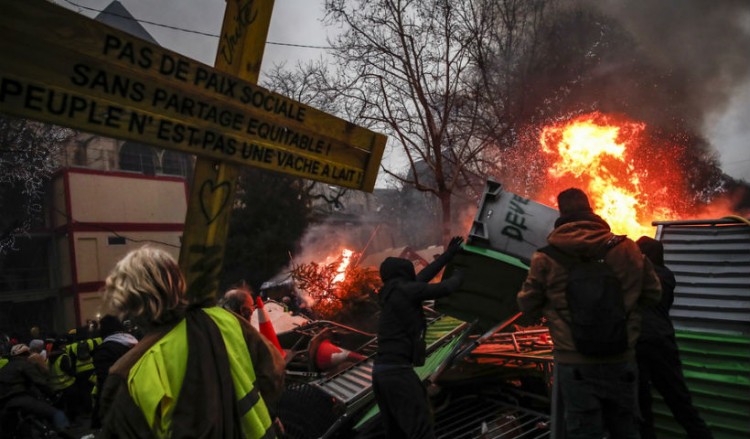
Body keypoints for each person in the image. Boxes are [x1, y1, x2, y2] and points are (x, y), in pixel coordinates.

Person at [517, 188, 661, 439]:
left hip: (574, 363)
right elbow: (653, 294)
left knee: (583, 431)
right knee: (626, 429)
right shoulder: (627, 248)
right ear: (590, 209)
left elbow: (527, 305)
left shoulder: (545, 258)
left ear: (560, 213)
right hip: (621, 358)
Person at [97, 246, 285, 438]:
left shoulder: (136, 373)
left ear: (130, 303)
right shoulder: (225, 319)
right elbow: (272, 377)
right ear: (178, 283)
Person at [373, 236, 464, 439]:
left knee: (397, 433)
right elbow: (445, 288)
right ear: (404, 274)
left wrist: (448, 255)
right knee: (421, 430)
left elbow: (424, 275)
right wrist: (461, 273)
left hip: (381, 374)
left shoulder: (392, 291)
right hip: (398, 373)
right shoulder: (405, 290)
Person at [635, 236, 714, 439]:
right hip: (664, 341)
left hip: (640, 343)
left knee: (641, 405)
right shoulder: (668, 276)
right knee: (679, 400)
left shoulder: (638, 276)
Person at [0, 344, 70, 437]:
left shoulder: (4, 368)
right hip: (19, 399)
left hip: (3, 405)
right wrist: (52, 395)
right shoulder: (24, 364)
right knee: (56, 414)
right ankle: (65, 433)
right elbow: (40, 382)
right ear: (25, 354)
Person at [90, 314, 139, 429]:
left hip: (118, 404)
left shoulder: (105, 350)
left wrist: (102, 410)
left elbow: (106, 381)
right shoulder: (135, 343)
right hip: (139, 397)